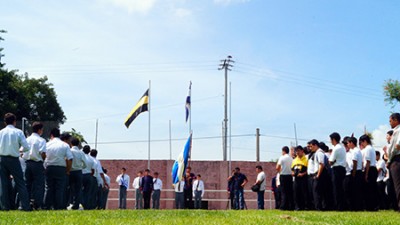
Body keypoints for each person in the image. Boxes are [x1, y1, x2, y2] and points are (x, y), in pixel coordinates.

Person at [0, 113, 31, 211]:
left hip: (2, 159)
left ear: (5, 122)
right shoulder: (18, 132)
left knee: (3, 184)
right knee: (20, 183)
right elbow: (26, 147)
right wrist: (20, 150)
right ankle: (25, 206)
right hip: (14, 159)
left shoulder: (1, 132)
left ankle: (5, 207)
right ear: (14, 122)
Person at [44, 128, 73, 210]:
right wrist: (68, 169)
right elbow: (70, 158)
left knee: (49, 188)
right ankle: (58, 206)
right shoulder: (65, 145)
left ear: (51, 135)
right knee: (59, 188)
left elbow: (43, 156)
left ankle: (47, 206)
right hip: (60, 168)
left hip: (49, 167)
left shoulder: (47, 144)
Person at [24, 121, 46, 210]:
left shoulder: (27, 139)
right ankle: (37, 204)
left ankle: (25, 203)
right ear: (39, 130)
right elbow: (43, 153)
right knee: (39, 185)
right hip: (37, 163)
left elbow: (21, 151)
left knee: (27, 184)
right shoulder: (41, 140)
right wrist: (43, 159)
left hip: (27, 163)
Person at [308, 139, 329, 211]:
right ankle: (318, 206)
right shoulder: (315, 153)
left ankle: (319, 207)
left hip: (320, 173)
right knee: (316, 191)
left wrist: (318, 175)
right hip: (317, 173)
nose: (310, 148)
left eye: (311, 146)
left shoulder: (319, 153)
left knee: (317, 191)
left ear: (315, 145)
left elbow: (321, 164)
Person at [360, 134, 378, 211]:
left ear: (365, 141)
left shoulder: (367, 149)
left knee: (368, 189)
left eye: (361, 142)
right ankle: (373, 206)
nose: (361, 144)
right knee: (372, 188)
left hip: (369, 169)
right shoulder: (372, 148)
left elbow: (367, 162)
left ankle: (369, 206)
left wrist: (366, 174)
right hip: (373, 169)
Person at [328, 132, 346, 211]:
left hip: (336, 169)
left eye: (331, 140)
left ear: (334, 139)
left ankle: (338, 206)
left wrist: (333, 161)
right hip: (342, 168)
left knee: (336, 188)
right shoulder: (342, 147)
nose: (330, 141)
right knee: (341, 188)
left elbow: (330, 161)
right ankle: (342, 205)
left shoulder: (336, 148)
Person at [387, 113, 400, 211]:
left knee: (398, 185)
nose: (389, 123)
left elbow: (397, 146)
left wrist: (389, 159)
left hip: (396, 159)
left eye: (390, 121)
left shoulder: (397, 131)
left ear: (396, 120)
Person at [68, 137, 86, 210]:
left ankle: (68, 203)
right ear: (78, 144)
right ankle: (76, 205)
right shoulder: (81, 152)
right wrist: (80, 167)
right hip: (78, 171)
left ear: (71, 143)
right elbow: (85, 164)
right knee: (78, 189)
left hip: (70, 171)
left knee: (69, 188)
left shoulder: (69, 151)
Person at [347, 136, 364, 211]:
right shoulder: (358, 151)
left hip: (356, 171)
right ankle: (358, 207)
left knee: (354, 191)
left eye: (348, 143)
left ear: (351, 143)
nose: (347, 144)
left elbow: (355, 162)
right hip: (359, 171)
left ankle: (356, 207)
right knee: (357, 190)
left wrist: (353, 173)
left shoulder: (354, 151)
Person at [276, 146, 293, 210]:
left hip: (283, 175)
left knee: (283, 191)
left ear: (283, 151)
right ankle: (290, 206)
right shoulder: (291, 158)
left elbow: (277, 167)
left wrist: (280, 172)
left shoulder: (282, 158)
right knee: (289, 191)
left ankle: (283, 206)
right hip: (290, 175)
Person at [291, 146, 308, 210]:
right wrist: (292, 173)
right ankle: (297, 207)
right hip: (296, 179)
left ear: (302, 151)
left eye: (298, 151)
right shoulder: (294, 160)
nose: (297, 152)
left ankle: (305, 206)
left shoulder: (306, 159)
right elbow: (292, 169)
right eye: (296, 151)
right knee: (296, 193)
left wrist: (303, 174)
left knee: (304, 193)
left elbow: (308, 170)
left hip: (304, 179)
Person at [81, 145, 95, 210]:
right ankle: (86, 206)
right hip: (89, 175)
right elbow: (93, 170)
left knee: (79, 191)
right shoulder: (91, 159)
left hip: (81, 174)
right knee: (87, 192)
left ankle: (79, 204)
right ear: (89, 151)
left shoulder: (81, 156)